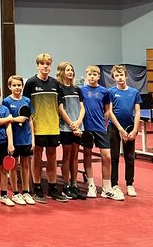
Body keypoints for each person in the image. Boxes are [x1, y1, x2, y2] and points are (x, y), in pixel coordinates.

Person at [23, 52, 66, 203]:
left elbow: (60, 105)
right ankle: (37, 187)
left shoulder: (55, 83)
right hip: (38, 126)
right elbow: (25, 105)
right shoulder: (31, 82)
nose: (45, 66)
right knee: (37, 156)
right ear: (38, 66)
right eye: (42, 64)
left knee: (52, 156)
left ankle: (53, 187)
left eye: (48, 64)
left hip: (53, 126)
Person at [80, 66, 122, 200]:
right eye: (90, 74)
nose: (92, 76)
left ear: (99, 76)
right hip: (87, 128)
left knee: (107, 156)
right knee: (87, 155)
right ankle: (91, 185)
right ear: (86, 75)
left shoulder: (105, 91)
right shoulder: (81, 90)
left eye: (95, 74)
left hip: (101, 128)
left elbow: (108, 110)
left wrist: (104, 123)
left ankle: (106, 188)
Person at [107, 64, 141, 198]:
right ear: (113, 78)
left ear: (126, 76)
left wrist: (135, 130)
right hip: (115, 128)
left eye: (121, 75)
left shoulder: (134, 92)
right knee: (114, 157)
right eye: (117, 75)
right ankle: (114, 184)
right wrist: (120, 129)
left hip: (130, 128)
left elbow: (137, 112)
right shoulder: (110, 92)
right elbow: (110, 112)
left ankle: (130, 184)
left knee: (130, 157)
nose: (120, 77)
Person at [2, 75, 34, 205]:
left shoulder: (27, 100)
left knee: (25, 166)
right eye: (14, 85)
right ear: (9, 87)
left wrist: (33, 139)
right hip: (14, 139)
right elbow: (6, 120)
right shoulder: (6, 101)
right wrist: (16, 119)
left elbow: (30, 120)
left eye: (19, 85)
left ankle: (26, 192)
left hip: (26, 138)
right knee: (13, 166)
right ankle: (15, 193)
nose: (17, 88)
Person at [57, 62, 86, 200]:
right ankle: (66, 185)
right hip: (65, 128)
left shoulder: (77, 89)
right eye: (67, 70)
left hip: (78, 126)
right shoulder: (59, 89)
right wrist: (71, 125)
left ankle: (74, 185)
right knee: (67, 156)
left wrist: (78, 122)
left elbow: (82, 108)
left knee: (75, 156)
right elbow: (61, 109)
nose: (70, 72)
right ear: (61, 72)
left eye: (72, 70)